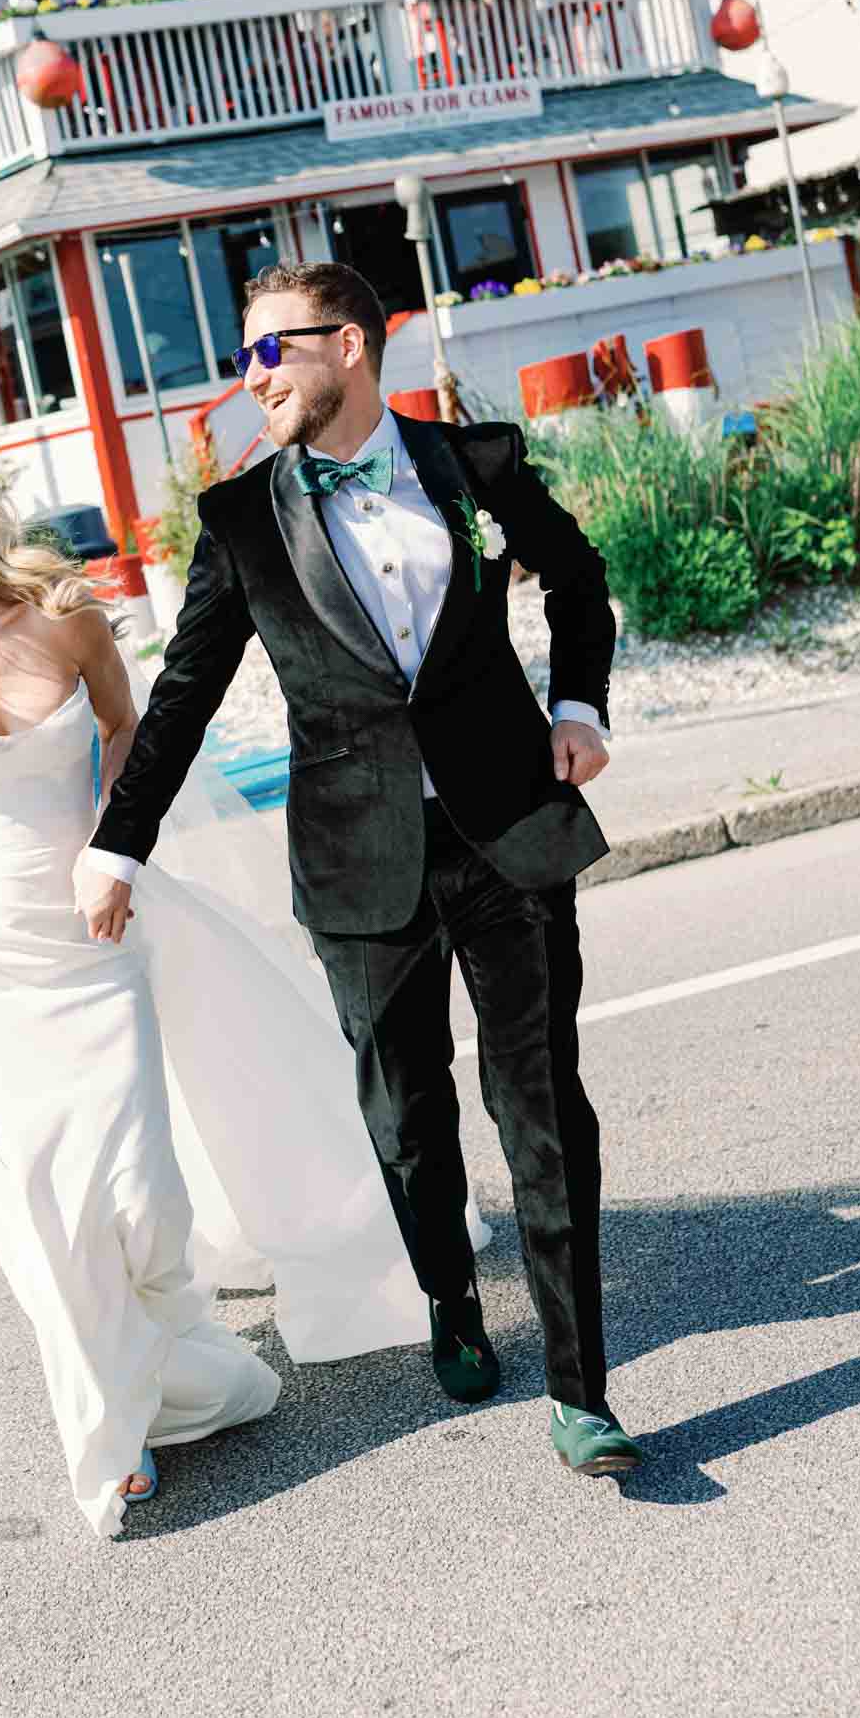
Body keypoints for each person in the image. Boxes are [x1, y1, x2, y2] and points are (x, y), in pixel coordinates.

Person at [0, 423, 486, 1539]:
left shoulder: (64, 616)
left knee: (137, 1187)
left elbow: (130, 727)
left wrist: (115, 846)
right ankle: (113, 1430)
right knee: (42, 1200)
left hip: (92, 926)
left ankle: (176, 1373)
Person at [81, 261, 642, 1480]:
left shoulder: (473, 468)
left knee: (541, 1106)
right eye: (242, 358)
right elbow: (179, 698)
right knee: (405, 1116)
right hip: (354, 857)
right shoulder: (239, 522)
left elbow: (579, 578)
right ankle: (449, 1296)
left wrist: (580, 702)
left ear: (346, 345)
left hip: (508, 830)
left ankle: (581, 1389)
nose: (251, 378)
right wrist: (117, 840)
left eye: (268, 353)